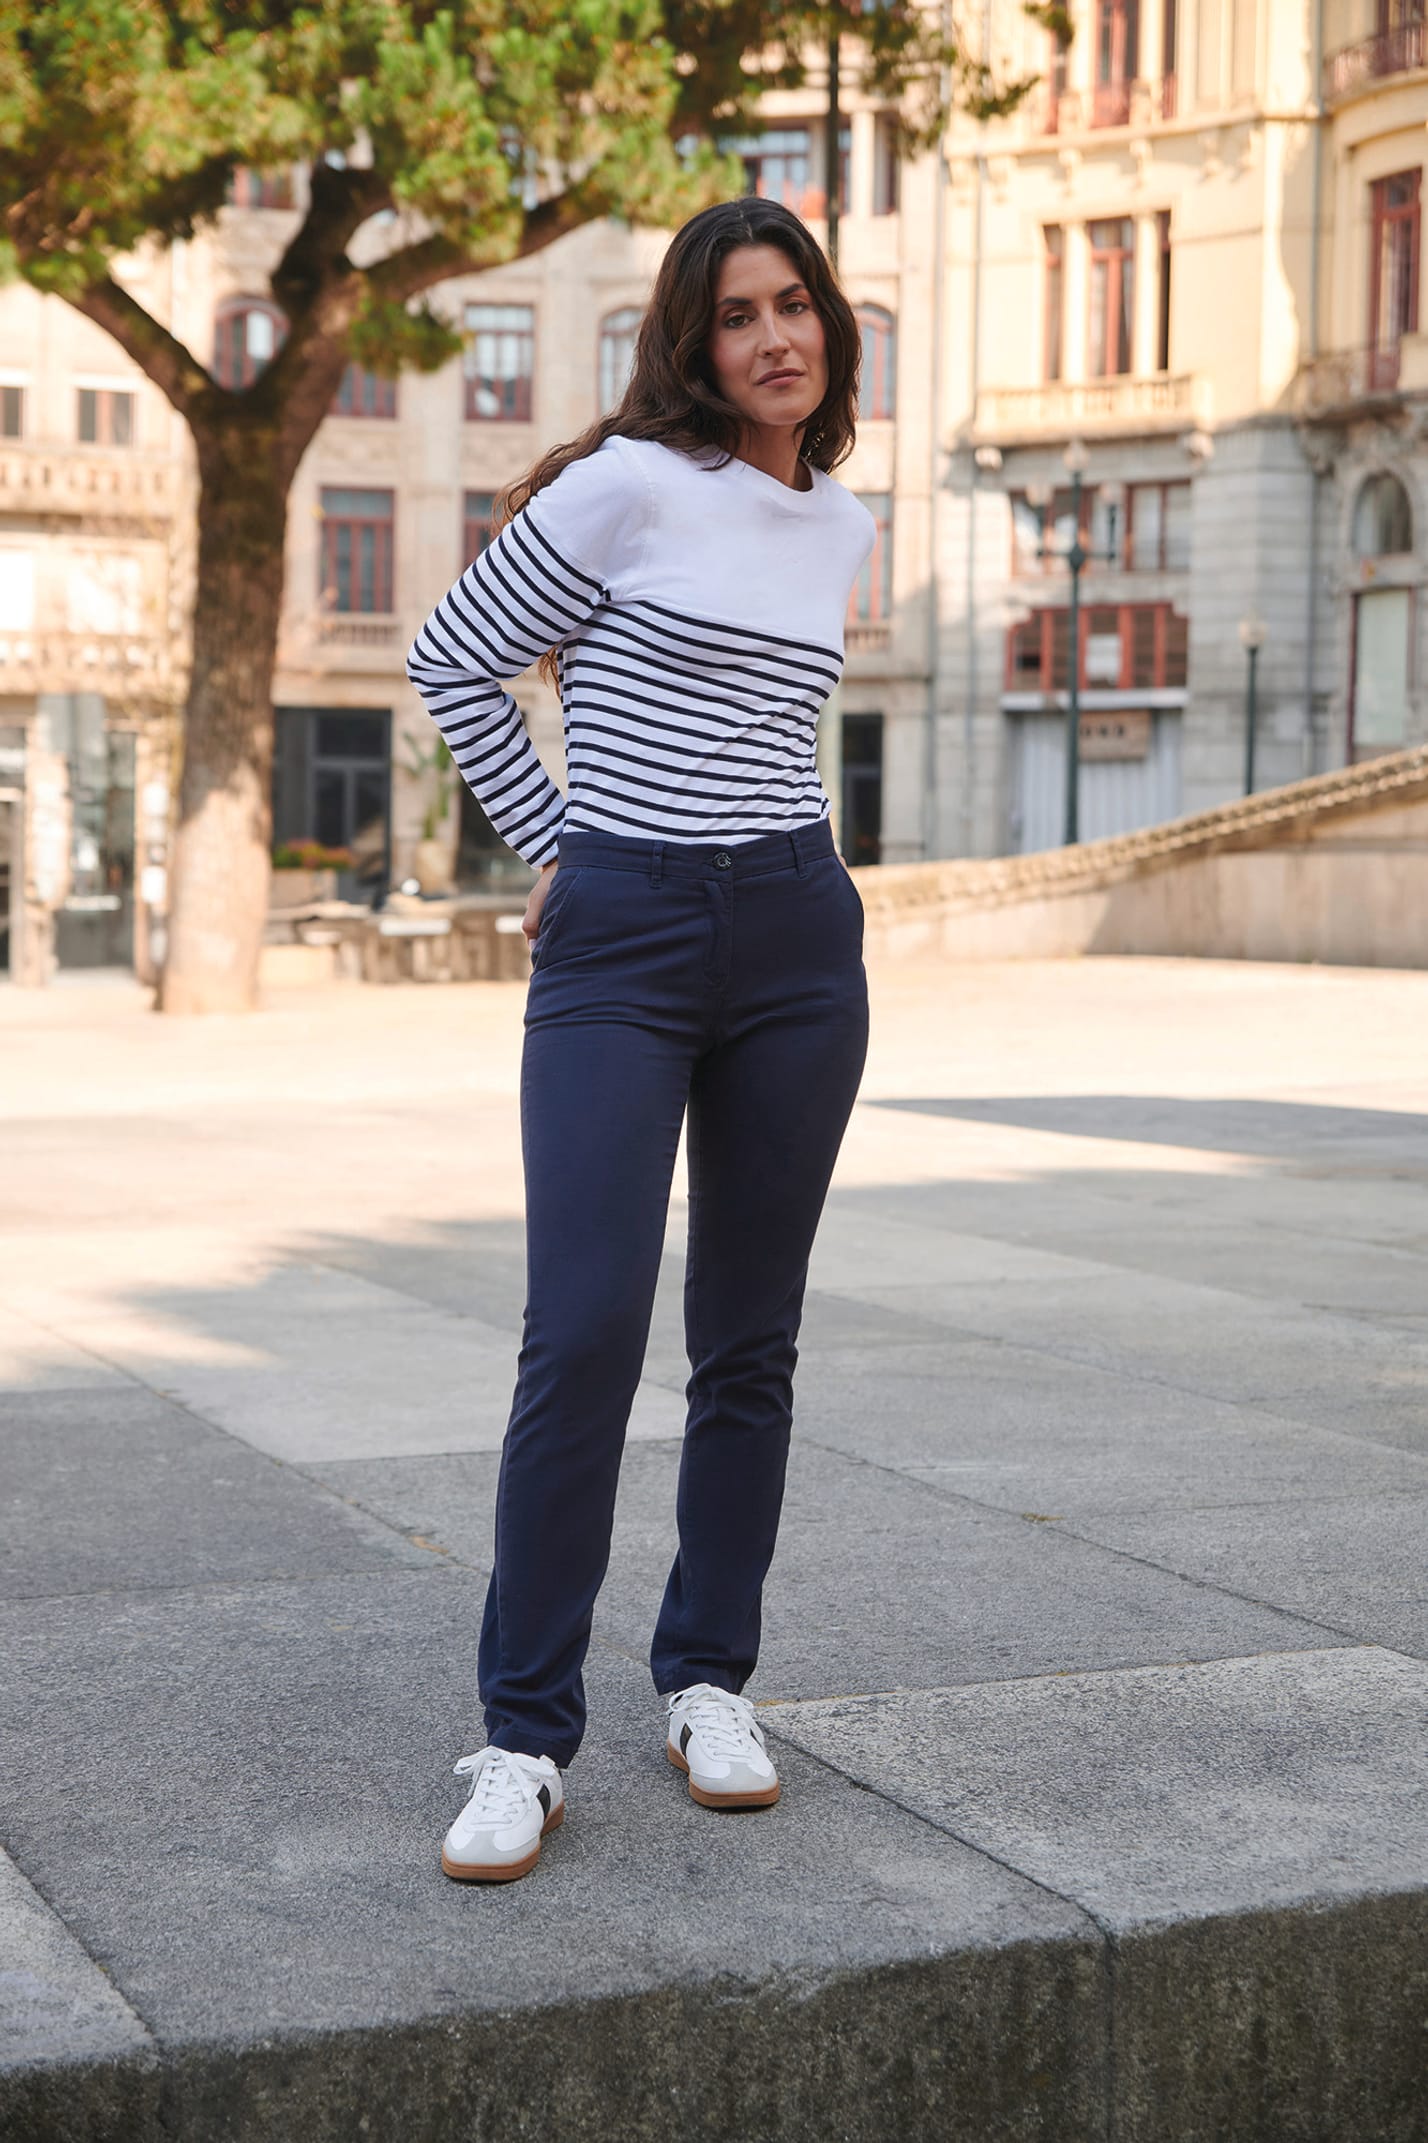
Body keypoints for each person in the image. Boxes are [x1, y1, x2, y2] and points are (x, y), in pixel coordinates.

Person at [405, 195, 877, 1884]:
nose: (773, 337)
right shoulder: (622, 487)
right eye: (738, 314)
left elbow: (771, 733)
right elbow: (452, 660)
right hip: (623, 938)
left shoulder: (842, 524)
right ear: (696, 340)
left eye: (794, 304)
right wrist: (558, 844)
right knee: (586, 1329)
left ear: (829, 323)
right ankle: (523, 1737)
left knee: (750, 1343)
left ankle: (708, 1683)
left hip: (797, 935)